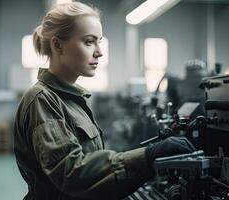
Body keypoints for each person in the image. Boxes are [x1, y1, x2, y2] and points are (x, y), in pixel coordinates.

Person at [13, 2, 195, 200]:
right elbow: (70, 173)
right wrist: (147, 156)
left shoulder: (72, 100)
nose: (99, 52)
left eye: (99, 41)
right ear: (58, 45)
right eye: (89, 42)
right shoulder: (43, 99)